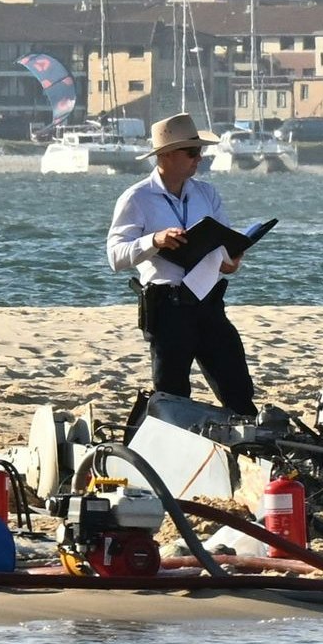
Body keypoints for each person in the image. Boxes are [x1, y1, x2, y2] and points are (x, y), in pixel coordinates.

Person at [105, 113, 257, 417]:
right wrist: (155, 241)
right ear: (166, 155)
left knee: (238, 390)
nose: (199, 158)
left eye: (200, 151)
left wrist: (231, 261)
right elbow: (115, 256)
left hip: (209, 303)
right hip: (168, 308)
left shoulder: (207, 193)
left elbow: (224, 244)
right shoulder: (136, 198)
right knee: (172, 397)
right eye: (192, 152)